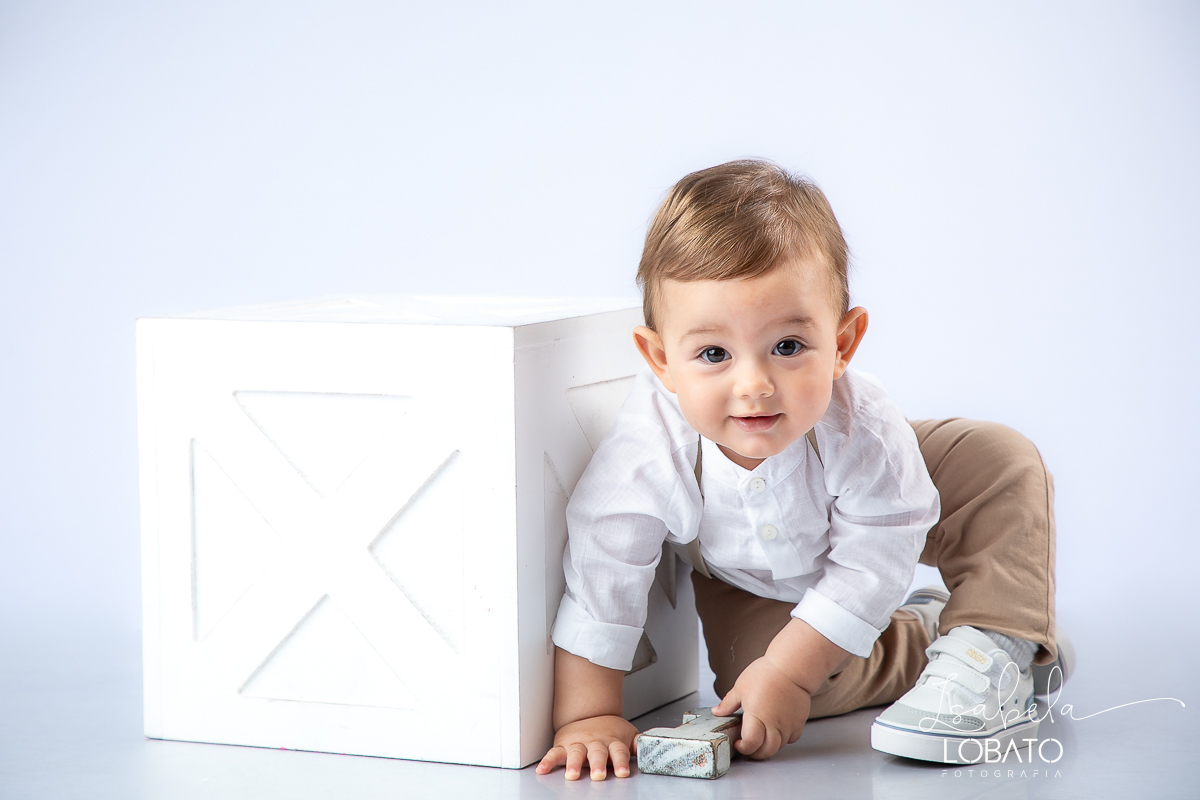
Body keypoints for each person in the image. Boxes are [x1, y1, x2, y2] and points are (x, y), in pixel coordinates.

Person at [535, 159, 1065, 781]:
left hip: (885, 504)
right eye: (713, 354)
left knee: (997, 460)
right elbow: (607, 558)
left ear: (842, 344)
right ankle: (923, 635)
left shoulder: (863, 427)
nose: (754, 385)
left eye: (787, 347)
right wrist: (588, 714)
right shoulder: (649, 446)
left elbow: (880, 545)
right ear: (660, 360)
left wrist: (790, 667)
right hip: (751, 581)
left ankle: (1000, 636)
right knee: (760, 692)